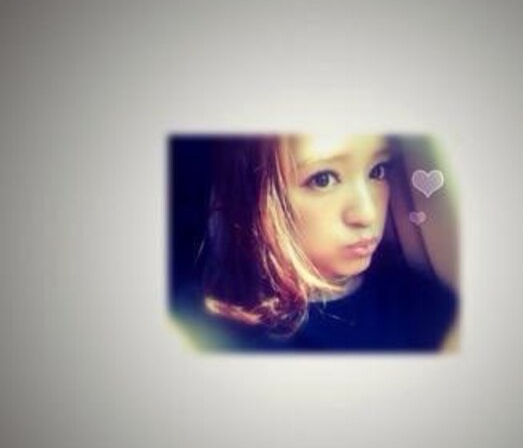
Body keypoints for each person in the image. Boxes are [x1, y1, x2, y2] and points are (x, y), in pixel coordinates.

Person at [172, 134, 458, 352]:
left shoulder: (424, 302)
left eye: (377, 171)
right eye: (323, 179)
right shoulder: (211, 334)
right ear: (252, 199)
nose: (367, 214)